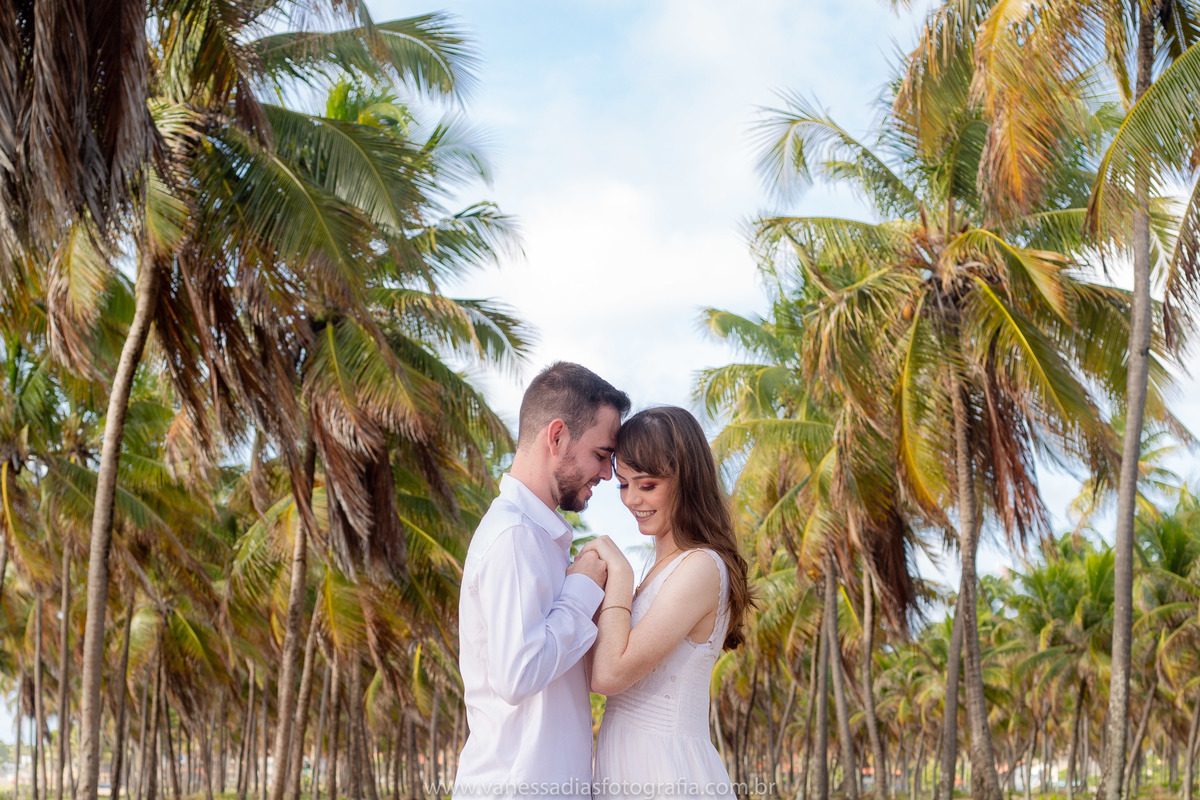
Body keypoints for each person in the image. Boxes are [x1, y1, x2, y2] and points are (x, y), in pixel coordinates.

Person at [454, 362, 631, 800]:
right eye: (601, 454)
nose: (608, 474)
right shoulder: (514, 535)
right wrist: (582, 589)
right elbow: (519, 674)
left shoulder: (539, 537)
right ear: (556, 437)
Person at [582, 406, 753, 800]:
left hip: (666, 773)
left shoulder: (702, 567)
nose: (631, 499)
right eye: (623, 484)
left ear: (685, 481)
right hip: (630, 768)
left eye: (647, 485)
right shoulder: (661, 569)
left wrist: (620, 578)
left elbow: (608, 676)